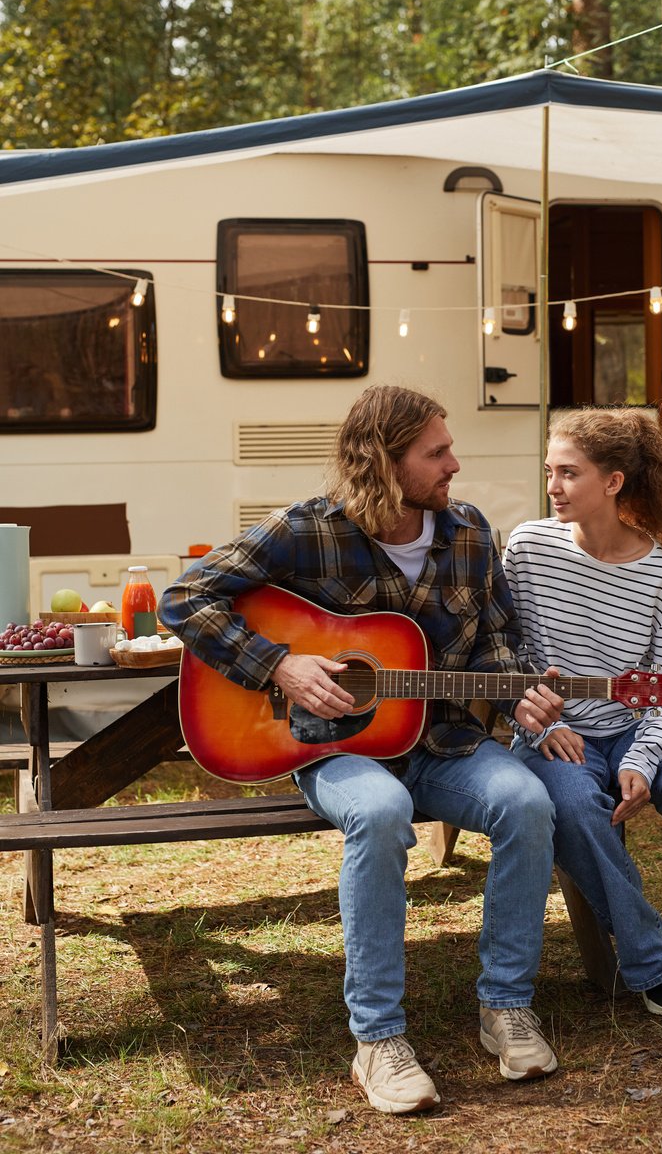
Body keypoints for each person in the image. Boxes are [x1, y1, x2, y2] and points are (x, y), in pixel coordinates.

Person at [159, 385, 564, 1114]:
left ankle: (505, 1006)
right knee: (379, 812)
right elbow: (186, 598)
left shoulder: (470, 532)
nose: (454, 464)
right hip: (335, 751)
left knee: (528, 802)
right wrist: (280, 665)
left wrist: (520, 694)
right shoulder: (306, 529)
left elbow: (499, 641)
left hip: (440, 740)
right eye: (435, 452)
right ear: (385, 460)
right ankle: (378, 1038)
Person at [503, 406, 662, 1061]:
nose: (552, 486)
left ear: (612, 483)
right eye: (549, 472)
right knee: (570, 803)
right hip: (554, 737)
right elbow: (504, 658)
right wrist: (542, 717)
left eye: (568, 473)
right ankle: (654, 962)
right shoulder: (527, 549)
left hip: (638, 728)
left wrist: (642, 759)